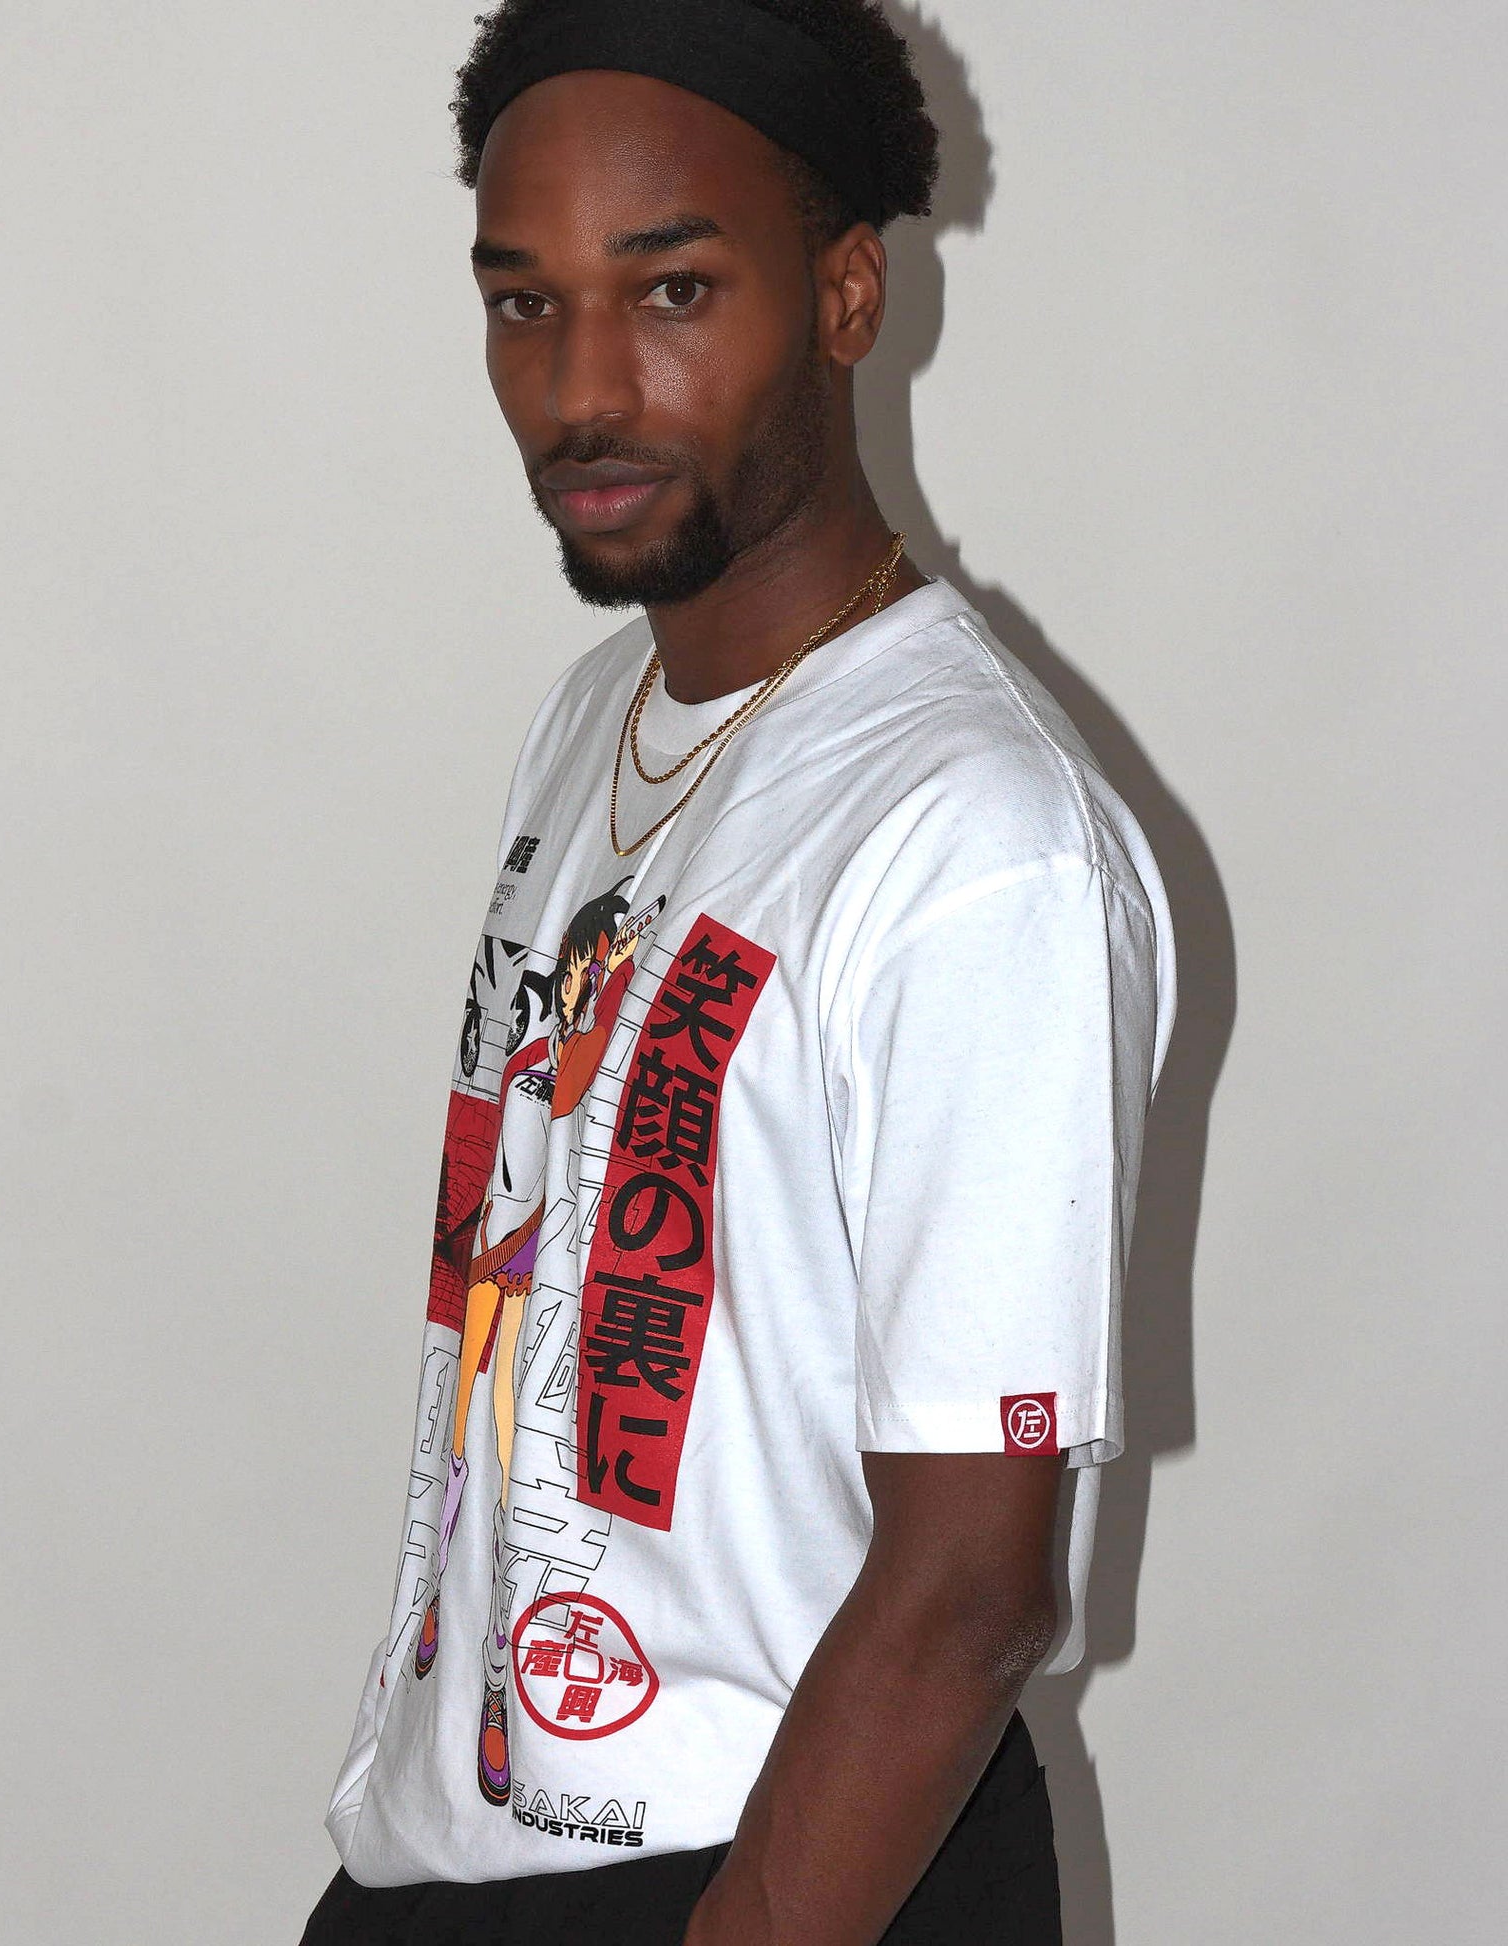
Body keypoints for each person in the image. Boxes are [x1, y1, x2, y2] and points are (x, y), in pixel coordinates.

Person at [299, 3, 1175, 1941]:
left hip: (786, 1865)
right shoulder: (601, 712)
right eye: (523, 305)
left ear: (845, 293)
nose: (581, 387)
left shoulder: (972, 837)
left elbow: (965, 1589)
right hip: (470, 1843)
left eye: (672, 289)